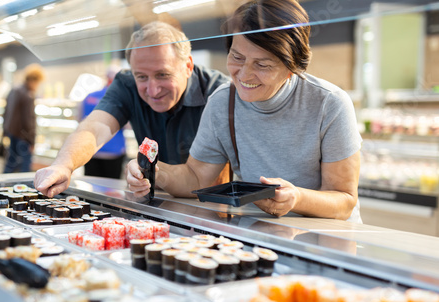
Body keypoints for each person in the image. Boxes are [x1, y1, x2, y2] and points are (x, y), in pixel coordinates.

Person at [126, 0, 363, 223]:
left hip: (325, 242)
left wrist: (297, 198)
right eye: (237, 57)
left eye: (262, 65)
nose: (244, 75)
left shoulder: (329, 103)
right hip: (258, 237)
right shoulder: (222, 102)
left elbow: (343, 201)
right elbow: (197, 178)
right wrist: (154, 172)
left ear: (292, 67)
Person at [34, 21, 229, 197]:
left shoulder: (218, 93)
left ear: (187, 66)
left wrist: (152, 171)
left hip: (209, 204)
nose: (152, 90)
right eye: (142, 77)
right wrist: (63, 165)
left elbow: (202, 179)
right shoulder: (126, 84)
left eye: (162, 74)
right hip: (155, 198)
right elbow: (94, 128)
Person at [81, 64, 126, 179]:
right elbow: (127, 125)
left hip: (90, 150)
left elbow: (80, 120)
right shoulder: (120, 98)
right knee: (111, 190)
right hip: (113, 151)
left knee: (91, 187)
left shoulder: (89, 96)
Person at [3, 63, 45, 173]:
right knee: (24, 169)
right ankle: (22, 190)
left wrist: (5, 132)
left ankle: (2, 189)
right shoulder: (28, 95)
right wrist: (32, 141)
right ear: (34, 80)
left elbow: (6, 112)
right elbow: (29, 120)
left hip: (12, 134)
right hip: (23, 137)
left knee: (10, 165)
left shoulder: (14, 90)